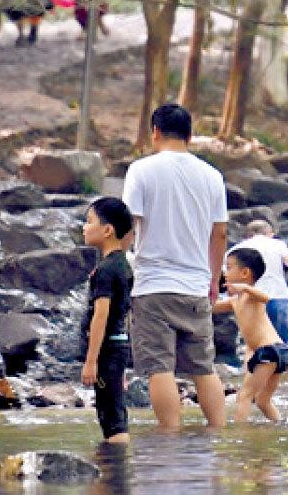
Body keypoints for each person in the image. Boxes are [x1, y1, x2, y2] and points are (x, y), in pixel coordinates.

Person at [122, 103, 228, 431]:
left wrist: (117, 269)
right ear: (190, 136)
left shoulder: (141, 170)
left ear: (155, 132)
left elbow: (128, 224)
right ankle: (219, 433)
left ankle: (169, 438)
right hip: (196, 286)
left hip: (153, 285)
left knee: (159, 368)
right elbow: (220, 233)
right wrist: (214, 279)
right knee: (204, 368)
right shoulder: (212, 176)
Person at [79, 197, 134, 444]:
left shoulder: (105, 270)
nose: (84, 227)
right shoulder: (122, 264)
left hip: (108, 348)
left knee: (112, 418)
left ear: (107, 230)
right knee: (113, 410)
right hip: (118, 346)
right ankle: (112, 464)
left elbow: (101, 316)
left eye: (90, 221)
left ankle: (117, 464)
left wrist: (91, 361)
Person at [227, 220, 288, 384]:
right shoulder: (277, 244)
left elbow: (226, 275)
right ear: (270, 233)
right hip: (278, 297)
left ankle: (249, 384)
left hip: (249, 299)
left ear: (247, 235)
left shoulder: (236, 250)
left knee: (252, 344)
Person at [213, 248, 288, 423]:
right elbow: (210, 307)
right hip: (277, 352)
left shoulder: (252, 296)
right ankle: (280, 425)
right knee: (263, 400)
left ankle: (240, 433)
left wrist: (246, 288)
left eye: (229, 267)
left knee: (244, 395)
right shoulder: (234, 301)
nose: (225, 272)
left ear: (245, 273)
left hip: (270, 350)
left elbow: (266, 298)